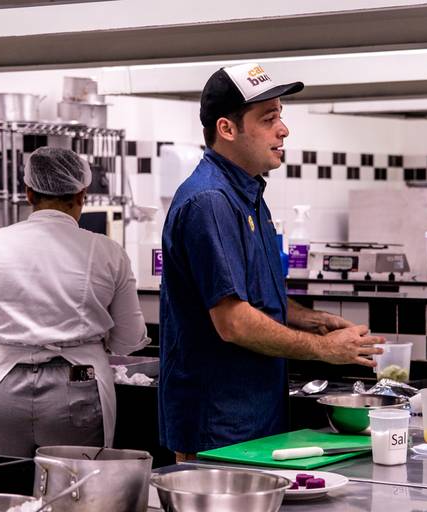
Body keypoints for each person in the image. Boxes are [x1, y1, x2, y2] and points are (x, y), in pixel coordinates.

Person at [159, 63, 384, 460]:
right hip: (217, 425)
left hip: (254, 416)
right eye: (268, 119)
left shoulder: (247, 195)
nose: (283, 129)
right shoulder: (210, 201)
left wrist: (310, 319)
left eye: (281, 115)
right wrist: (323, 348)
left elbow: (253, 293)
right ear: (227, 129)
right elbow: (233, 322)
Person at [0, 146, 149, 457]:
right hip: (78, 388)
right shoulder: (107, 252)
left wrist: (20, 337)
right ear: (82, 194)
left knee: (0, 491)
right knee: (77, 496)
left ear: (28, 193)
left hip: (0, 390)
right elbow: (128, 340)